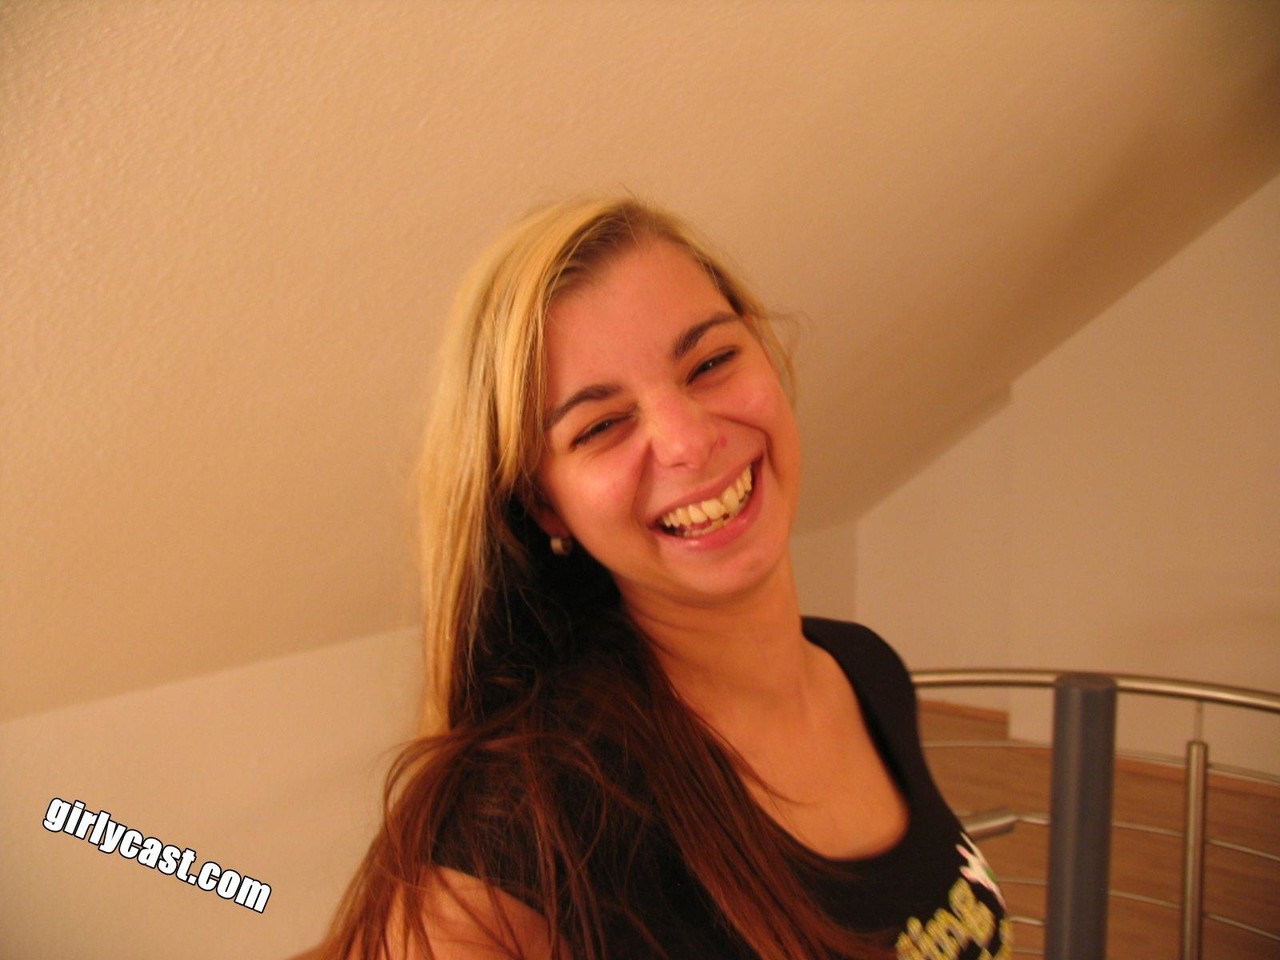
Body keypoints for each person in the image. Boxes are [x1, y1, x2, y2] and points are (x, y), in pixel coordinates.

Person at [319, 197, 1009, 960]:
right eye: (600, 426)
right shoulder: (528, 821)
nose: (688, 441)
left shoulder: (866, 669)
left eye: (710, 363)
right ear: (546, 505)